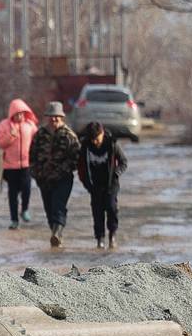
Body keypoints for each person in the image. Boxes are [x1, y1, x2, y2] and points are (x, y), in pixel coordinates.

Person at [29, 101, 80, 248]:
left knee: (59, 205)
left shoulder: (69, 135)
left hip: (63, 178)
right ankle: (55, 233)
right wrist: (35, 172)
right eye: (51, 117)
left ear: (62, 117)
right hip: (44, 178)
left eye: (57, 117)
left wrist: (63, 169)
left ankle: (57, 233)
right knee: (49, 208)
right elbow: (32, 155)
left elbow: (76, 158)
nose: (54, 120)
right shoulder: (40, 134)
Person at [78, 121, 128, 250]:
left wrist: (117, 173)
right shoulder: (86, 145)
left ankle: (112, 236)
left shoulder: (112, 144)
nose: (95, 142)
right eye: (92, 139)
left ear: (102, 133)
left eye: (97, 138)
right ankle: (99, 239)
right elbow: (81, 166)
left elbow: (123, 162)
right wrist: (86, 183)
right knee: (97, 212)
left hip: (111, 184)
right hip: (94, 185)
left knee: (111, 208)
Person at [0, 98, 38, 229]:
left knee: (27, 189)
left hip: (26, 165)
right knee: (12, 194)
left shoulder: (30, 125)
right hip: (10, 166)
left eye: (22, 113)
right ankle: (14, 220)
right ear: (12, 114)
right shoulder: (4, 125)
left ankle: (24, 209)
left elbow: (37, 140)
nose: (20, 116)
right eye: (17, 113)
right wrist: (10, 136)